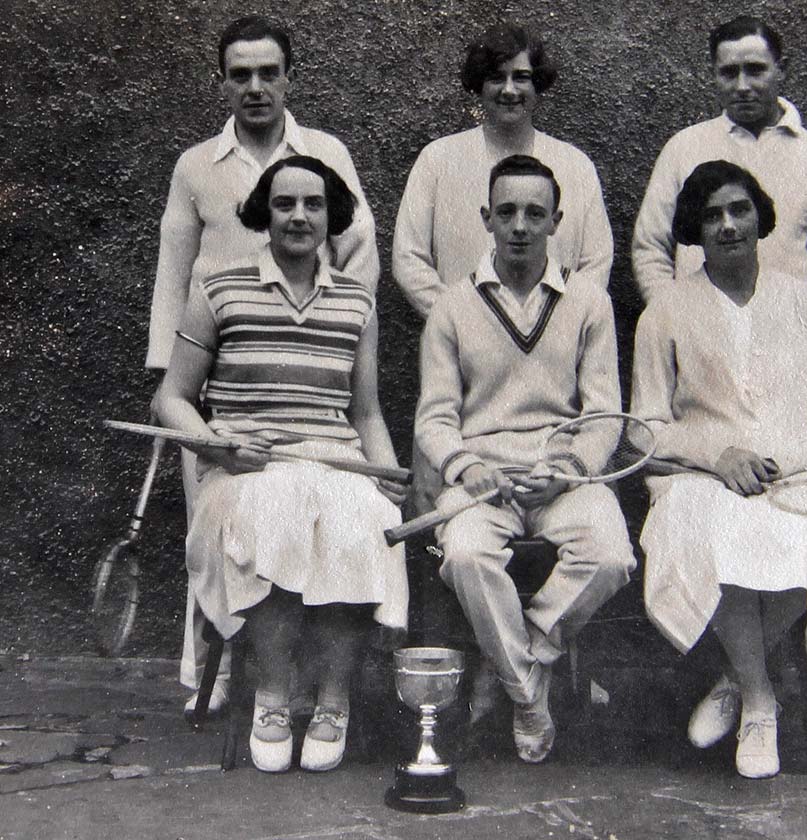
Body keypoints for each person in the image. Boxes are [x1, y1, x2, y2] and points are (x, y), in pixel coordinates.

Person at [146, 16, 380, 716]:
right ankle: (214, 673)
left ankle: (300, 679)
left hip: (305, 365)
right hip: (217, 376)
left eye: (267, 72)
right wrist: (170, 385)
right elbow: (173, 271)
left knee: (309, 529)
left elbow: (359, 250)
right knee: (215, 530)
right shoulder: (195, 166)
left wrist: (325, 315)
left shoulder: (326, 152)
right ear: (223, 80)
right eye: (240, 73)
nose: (254, 87)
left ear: (289, 78)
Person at [154, 156, 407, 773]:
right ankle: (271, 695)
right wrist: (216, 444)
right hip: (246, 472)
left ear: (332, 216)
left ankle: (331, 700)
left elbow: (366, 412)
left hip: (335, 464)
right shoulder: (219, 287)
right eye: (285, 203)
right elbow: (171, 399)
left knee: (363, 520)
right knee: (275, 511)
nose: (299, 216)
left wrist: (391, 477)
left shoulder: (357, 302)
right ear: (262, 213)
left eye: (313, 204)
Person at [630, 160, 807, 779]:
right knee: (714, 524)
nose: (728, 225)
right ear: (693, 229)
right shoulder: (666, 313)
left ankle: (738, 674)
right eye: (711, 216)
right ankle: (762, 704)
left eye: (739, 210)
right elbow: (644, 429)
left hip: (795, 476)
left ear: (760, 216)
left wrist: (783, 460)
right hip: (701, 478)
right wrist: (717, 455)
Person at [415, 155, 635, 763]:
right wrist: (465, 466)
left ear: (556, 220)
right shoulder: (453, 305)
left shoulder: (590, 302)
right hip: (485, 480)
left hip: (562, 480)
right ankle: (530, 697)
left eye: (534, 213)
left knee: (611, 554)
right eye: (506, 211)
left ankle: (519, 662)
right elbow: (434, 417)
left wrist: (569, 469)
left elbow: (606, 414)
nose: (519, 225)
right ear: (486, 218)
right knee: (463, 553)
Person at [632, 15, 807, 360]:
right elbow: (650, 248)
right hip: (703, 353)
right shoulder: (684, 148)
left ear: (781, 70)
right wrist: (677, 322)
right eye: (729, 72)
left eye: (755, 69)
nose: (742, 85)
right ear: (714, 75)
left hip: (789, 352)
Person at [393, 21, 613, 319]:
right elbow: (408, 258)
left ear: (537, 85)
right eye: (497, 78)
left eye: (521, 77)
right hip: (462, 345)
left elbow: (596, 260)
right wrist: (462, 322)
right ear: (480, 86)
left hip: (553, 346)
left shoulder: (575, 165)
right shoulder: (438, 159)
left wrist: (557, 323)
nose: (509, 90)